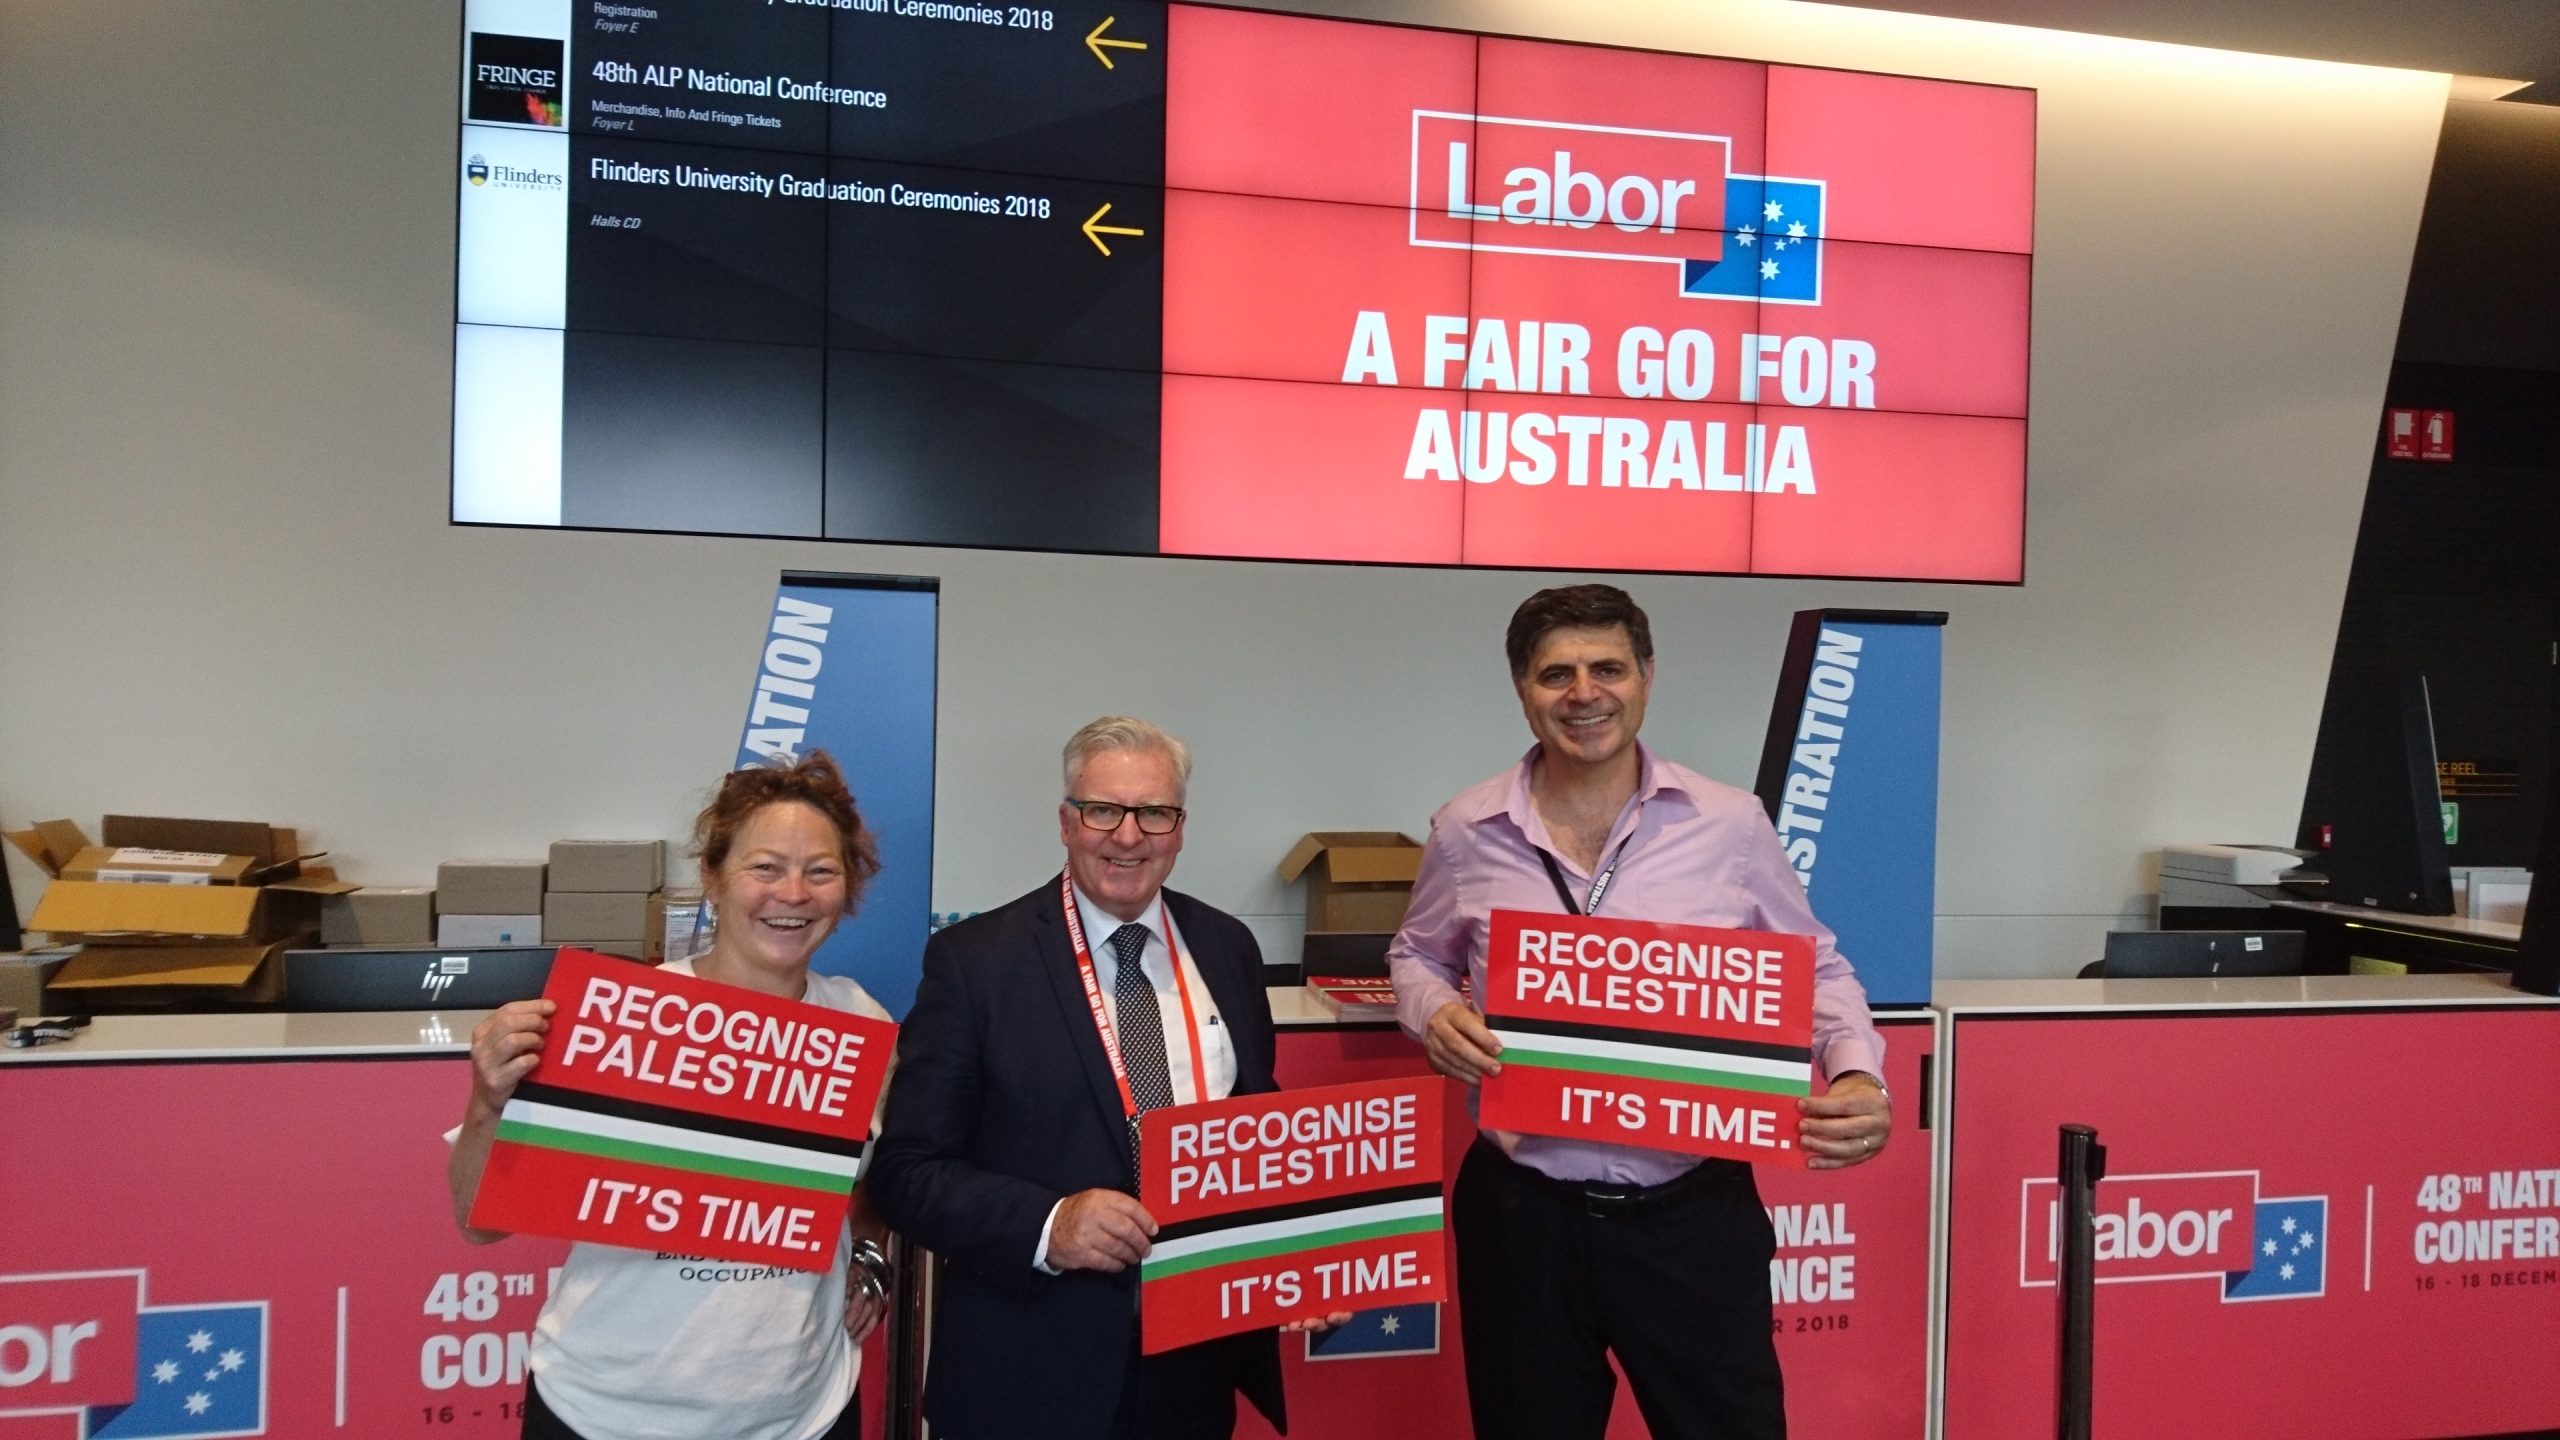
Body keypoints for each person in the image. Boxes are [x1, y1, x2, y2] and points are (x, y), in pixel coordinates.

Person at [1387, 584, 1891, 1440]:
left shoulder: (1729, 824)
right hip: (1524, 1219)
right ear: (1522, 689)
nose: (1584, 693)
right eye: (1557, 674)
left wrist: (1856, 1073)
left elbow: (1817, 969)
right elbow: (1415, 953)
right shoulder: (1464, 829)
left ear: (1647, 678)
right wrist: (1430, 1010)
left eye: (1608, 668)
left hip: (1691, 1219)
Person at [870, 717, 1320, 1440]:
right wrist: (1051, 1225)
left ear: (1180, 827)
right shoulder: (976, 963)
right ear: (1066, 821)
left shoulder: (1227, 947)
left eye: (1155, 813)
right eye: (1103, 809)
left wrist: (1298, 1256)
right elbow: (907, 1174)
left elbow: (1253, 1131)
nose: (1129, 835)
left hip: (1193, 1367)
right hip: (1031, 1375)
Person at [446, 751, 896, 1440]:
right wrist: (486, 1102)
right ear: (714, 878)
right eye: (765, 867)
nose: (794, 893)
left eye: (821, 870)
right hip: (604, 1411)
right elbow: (480, 1222)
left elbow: (868, 1179)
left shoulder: (862, 1024)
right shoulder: (618, 1019)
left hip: (800, 1415)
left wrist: (866, 1251)